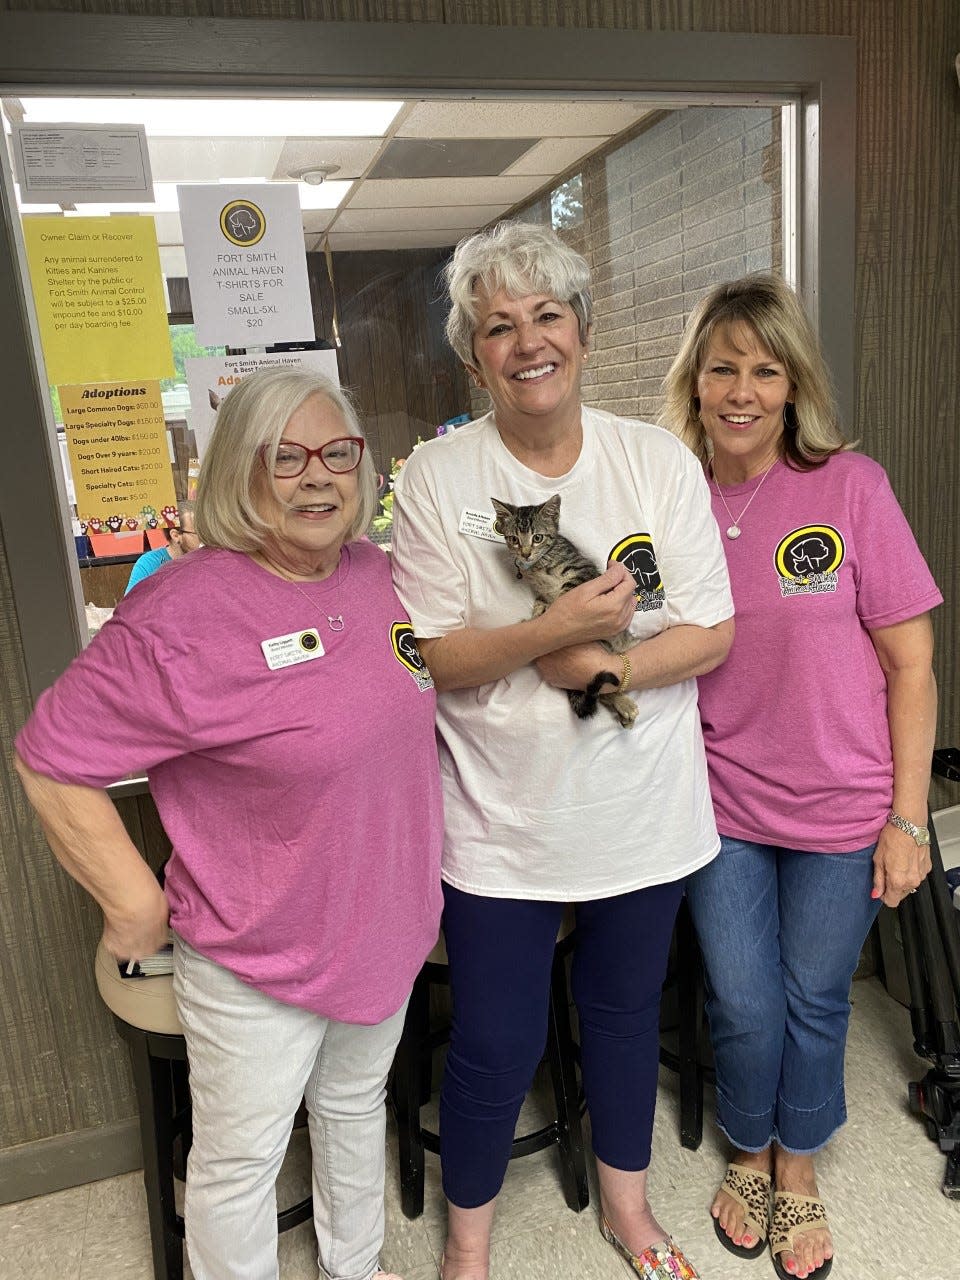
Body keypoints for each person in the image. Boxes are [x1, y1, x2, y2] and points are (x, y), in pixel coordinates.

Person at [15, 368, 444, 1280]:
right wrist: (133, 906)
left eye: (337, 452)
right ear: (238, 476)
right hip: (258, 956)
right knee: (240, 1164)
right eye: (284, 457)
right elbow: (49, 755)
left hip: (384, 930)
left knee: (354, 1109)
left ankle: (354, 1269)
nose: (317, 477)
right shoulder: (182, 609)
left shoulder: (375, 574)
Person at [390, 221, 735, 1280]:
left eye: (547, 315)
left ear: (582, 329)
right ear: (473, 355)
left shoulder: (655, 459)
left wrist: (604, 668)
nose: (528, 340)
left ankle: (628, 1210)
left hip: (642, 808)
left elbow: (711, 629)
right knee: (496, 1040)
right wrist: (547, 635)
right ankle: (470, 1243)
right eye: (500, 326)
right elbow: (430, 657)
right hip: (504, 822)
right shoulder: (438, 479)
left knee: (624, 1013)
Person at [661, 273, 942, 1280]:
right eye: (722, 366)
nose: (741, 389)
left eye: (764, 369)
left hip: (843, 803)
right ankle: (748, 1143)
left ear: (792, 384)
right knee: (742, 998)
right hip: (721, 802)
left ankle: (797, 1163)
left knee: (815, 994)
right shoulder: (670, 497)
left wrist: (907, 819)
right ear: (693, 380)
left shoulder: (851, 488)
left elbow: (912, 663)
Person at [124, 498, 200, 593]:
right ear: (175, 536)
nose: (205, 539)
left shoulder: (209, 561)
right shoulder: (149, 564)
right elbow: (131, 605)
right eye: (199, 534)